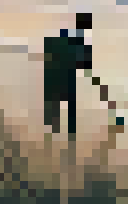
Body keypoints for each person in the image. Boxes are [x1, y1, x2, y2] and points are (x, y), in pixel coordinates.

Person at [42, 13, 112, 144]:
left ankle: (52, 134)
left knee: (54, 105)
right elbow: (85, 63)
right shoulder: (80, 41)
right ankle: (69, 136)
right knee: (68, 106)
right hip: (65, 77)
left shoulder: (63, 36)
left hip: (53, 75)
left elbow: (48, 48)